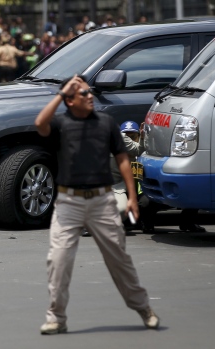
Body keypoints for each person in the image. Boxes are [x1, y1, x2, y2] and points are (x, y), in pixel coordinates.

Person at [34, 75, 159, 334]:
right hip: (68, 202)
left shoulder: (105, 123)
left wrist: (133, 198)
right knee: (58, 259)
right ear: (69, 100)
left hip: (102, 201)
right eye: (82, 94)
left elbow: (123, 159)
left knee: (119, 259)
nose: (90, 96)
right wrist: (61, 93)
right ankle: (56, 317)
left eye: (90, 92)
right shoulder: (61, 123)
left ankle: (144, 307)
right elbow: (39, 123)